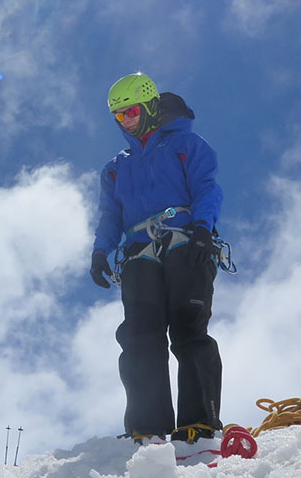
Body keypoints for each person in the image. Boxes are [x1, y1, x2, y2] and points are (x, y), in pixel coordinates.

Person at [89, 72, 224, 446]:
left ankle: (199, 423)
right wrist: (101, 250)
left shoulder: (186, 145)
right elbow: (110, 215)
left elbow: (207, 187)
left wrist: (202, 227)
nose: (126, 120)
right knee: (139, 336)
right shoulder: (117, 166)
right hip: (138, 253)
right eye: (118, 116)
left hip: (186, 241)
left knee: (188, 328)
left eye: (130, 111)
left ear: (149, 106)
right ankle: (147, 426)